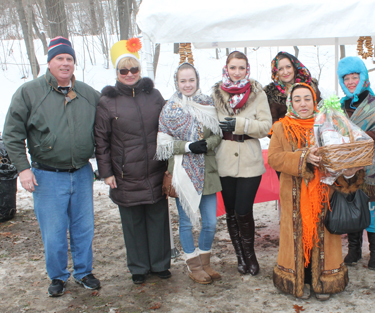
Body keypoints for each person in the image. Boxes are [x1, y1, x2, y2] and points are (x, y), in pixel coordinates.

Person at [2, 37, 101, 296]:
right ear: (49, 62)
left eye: (69, 59)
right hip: (47, 176)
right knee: (54, 232)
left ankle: (84, 272)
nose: (65, 63)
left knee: (83, 228)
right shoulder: (30, 92)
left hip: (81, 173)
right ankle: (58, 277)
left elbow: (109, 125)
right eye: (60, 58)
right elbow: (12, 134)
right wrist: (23, 169)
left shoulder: (88, 94)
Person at [268, 83, 364, 300]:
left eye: (307, 99)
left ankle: (324, 282)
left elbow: (339, 154)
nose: (303, 104)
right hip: (293, 195)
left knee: (323, 237)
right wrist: (303, 158)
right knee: (297, 236)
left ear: (314, 101)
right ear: (290, 103)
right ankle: (297, 281)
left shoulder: (327, 125)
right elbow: (274, 158)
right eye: (297, 99)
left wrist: (349, 167)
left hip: (324, 194)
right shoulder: (281, 127)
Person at [94, 39, 171, 285]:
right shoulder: (108, 101)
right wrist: (106, 172)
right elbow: (101, 140)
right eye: (123, 70)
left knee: (158, 219)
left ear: (140, 71)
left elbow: (169, 125)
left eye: (134, 69)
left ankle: (160, 263)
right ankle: (138, 266)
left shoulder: (154, 95)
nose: (129, 74)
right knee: (133, 222)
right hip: (125, 173)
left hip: (155, 169)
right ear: (116, 73)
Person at [156, 62, 222, 284]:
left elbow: (218, 134)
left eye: (191, 80)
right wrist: (188, 147)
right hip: (183, 172)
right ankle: (193, 265)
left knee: (210, 222)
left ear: (197, 80)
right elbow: (163, 143)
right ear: (177, 82)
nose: (187, 84)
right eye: (183, 80)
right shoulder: (169, 109)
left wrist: (207, 143)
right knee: (186, 223)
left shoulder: (207, 104)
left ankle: (205, 262)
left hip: (208, 172)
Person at [212, 51, 272, 276]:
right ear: (226, 68)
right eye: (233, 67)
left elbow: (266, 126)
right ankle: (239, 256)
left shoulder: (258, 94)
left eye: (241, 68)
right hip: (224, 159)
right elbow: (211, 123)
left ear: (247, 70)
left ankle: (250, 255)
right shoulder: (217, 94)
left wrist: (242, 124)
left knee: (244, 210)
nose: (237, 72)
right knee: (230, 211)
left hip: (249, 159)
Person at [337, 56, 375, 270]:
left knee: (373, 211)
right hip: (348, 169)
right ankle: (354, 250)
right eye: (346, 78)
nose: (351, 82)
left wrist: (356, 138)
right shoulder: (339, 107)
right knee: (352, 208)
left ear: (363, 77)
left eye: (354, 77)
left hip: (373, 170)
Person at [264, 51, 322, 125]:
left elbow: (321, 110)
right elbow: (271, 122)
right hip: (285, 132)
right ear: (276, 72)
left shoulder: (310, 86)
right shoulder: (271, 94)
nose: (285, 72)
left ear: (294, 67)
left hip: (312, 130)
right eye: (280, 69)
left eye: (288, 67)